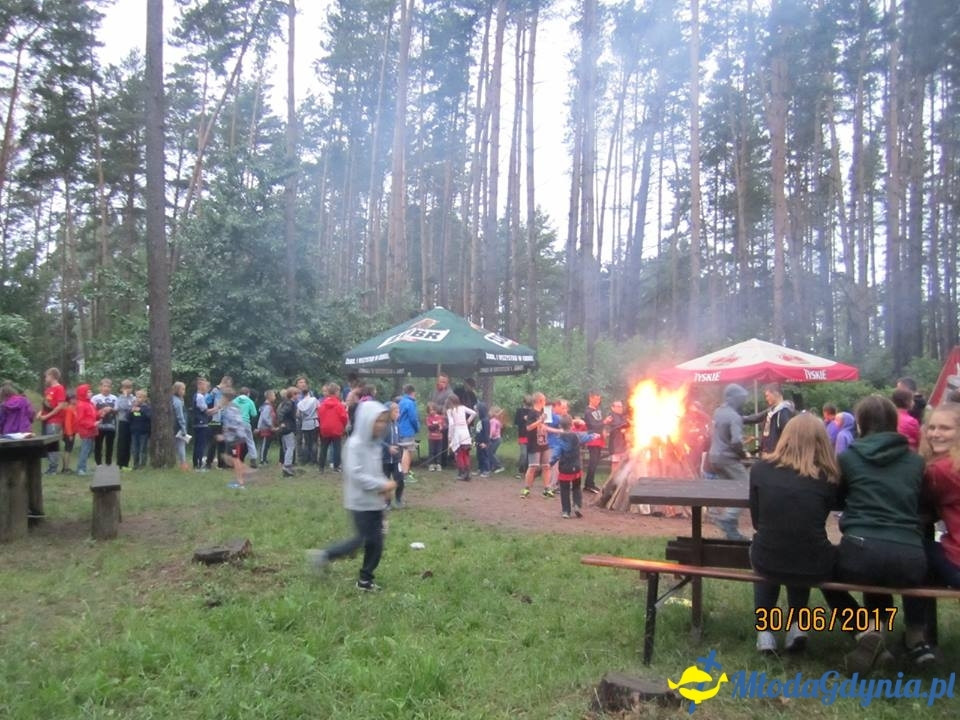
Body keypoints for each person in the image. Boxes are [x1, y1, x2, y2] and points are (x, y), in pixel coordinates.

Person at [828, 395, 932, 673]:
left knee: (823, 571)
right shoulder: (916, 462)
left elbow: (836, 498)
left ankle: (864, 633)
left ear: (859, 425)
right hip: (910, 559)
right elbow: (924, 503)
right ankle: (906, 638)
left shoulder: (848, 458)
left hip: (860, 553)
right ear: (894, 424)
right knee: (884, 558)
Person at [749, 413, 840, 654]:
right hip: (813, 562)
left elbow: (757, 520)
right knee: (803, 545)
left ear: (785, 437)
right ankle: (797, 626)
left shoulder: (760, 469)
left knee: (769, 545)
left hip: (768, 558)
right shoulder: (828, 476)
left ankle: (765, 632)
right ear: (821, 441)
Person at [306, 400, 397, 592]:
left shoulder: (374, 444)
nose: (381, 425)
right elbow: (356, 475)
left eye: (383, 421)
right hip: (359, 503)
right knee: (366, 541)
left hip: (375, 502)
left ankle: (364, 579)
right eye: (377, 421)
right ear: (366, 420)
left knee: (374, 542)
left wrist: (385, 488)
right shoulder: (354, 445)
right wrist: (382, 484)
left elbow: (374, 471)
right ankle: (327, 556)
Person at [920, 402, 960, 587]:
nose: (935, 434)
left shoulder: (942, 470)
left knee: (910, 548)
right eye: (932, 427)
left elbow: (917, 501)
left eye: (945, 428)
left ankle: (920, 616)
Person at [706, 384, 749, 542]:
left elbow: (741, 420)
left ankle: (731, 532)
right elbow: (737, 441)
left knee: (730, 492)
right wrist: (742, 454)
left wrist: (764, 414)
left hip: (714, 457)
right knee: (746, 488)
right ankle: (728, 519)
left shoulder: (718, 412)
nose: (742, 403)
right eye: (741, 399)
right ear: (734, 399)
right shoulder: (734, 417)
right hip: (728, 458)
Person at [743, 383, 795, 454]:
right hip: (768, 452)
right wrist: (736, 418)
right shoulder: (771, 411)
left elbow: (787, 435)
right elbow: (755, 418)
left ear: (775, 393)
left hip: (777, 454)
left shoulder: (784, 412)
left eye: (767, 396)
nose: (766, 398)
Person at [521, 392, 552, 498]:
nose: (545, 402)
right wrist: (539, 421)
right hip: (534, 443)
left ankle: (547, 488)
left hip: (544, 442)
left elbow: (547, 425)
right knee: (533, 466)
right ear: (539, 401)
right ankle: (526, 489)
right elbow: (528, 427)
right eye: (544, 400)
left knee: (546, 466)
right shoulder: (532, 413)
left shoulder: (545, 412)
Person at [37, 367, 68, 474]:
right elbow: (45, 404)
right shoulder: (48, 390)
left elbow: (60, 406)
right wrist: (40, 413)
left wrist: (47, 416)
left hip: (54, 420)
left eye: (46, 376)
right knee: (47, 444)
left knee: (52, 443)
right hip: (46, 420)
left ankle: (53, 468)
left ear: (52, 376)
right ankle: (50, 466)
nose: (45, 378)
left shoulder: (59, 388)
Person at [218, 388, 248, 489]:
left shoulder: (232, 409)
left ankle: (240, 483)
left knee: (236, 460)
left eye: (221, 397)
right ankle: (239, 479)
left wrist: (225, 434)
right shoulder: (227, 408)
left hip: (236, 439)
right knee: (232, 459)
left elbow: (237, 424)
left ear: (226, 398)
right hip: (232, 439)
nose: (220, 399)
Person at [446, 393, 477, 481]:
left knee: (459, 454)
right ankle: (467, 472)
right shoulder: (463, 408)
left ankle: (462, 473)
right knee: (466, 453)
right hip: (465, 432)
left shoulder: (450, 411)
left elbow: (451, 424)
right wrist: (467, 421)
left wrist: (450, 437)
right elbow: (474, 413)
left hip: (457, 433)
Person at [318, 383, 348, 472]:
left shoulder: (323, 404)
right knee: (337, 448)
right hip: (336, 428)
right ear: (336, 392)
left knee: (323, 447)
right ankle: (336, 466)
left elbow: (319, 415)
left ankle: (321, 467)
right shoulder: (339, 405)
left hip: (325, 428)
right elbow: (344, 417)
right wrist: (343, 426)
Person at [382, 402, 405, 507]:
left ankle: (398, 499)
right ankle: (387, 503)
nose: (398, 414)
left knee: (400, 479)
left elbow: (399, 439)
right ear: (389, 412)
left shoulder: (397, 425)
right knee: (385, 482)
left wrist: (404, 445)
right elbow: (378, 440)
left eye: (398, 412)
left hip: (396, 459)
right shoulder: (382, 425)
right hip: (384, 459)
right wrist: (388, 447)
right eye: (396, 412)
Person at [91, 378, 119, 466]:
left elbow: (117, 410)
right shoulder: (95, 398)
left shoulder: (114, 398)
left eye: (108, 387)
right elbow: (91, 411)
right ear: (100, 387)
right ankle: (98, 462)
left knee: (109, 445)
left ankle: (108, 462)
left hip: (111, 425)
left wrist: (111, 409)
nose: (106, 388)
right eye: (104, 386)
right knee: (98, 444)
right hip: (99, 425)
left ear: (111, 388)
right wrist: (101, 411)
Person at [429, 374, 455, 467]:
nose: (442, 383)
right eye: (440, 381)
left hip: (444, 421)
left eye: (444, 382)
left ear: (447, 383)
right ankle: (432, 460)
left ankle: (442, 461)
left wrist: (435, 407)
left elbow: (447, 408)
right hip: (432, 420)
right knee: (432, 441)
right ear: (437, 381)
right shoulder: (433, 391)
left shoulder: (450, 393)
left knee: (442, 442)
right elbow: (430, 404)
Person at [74, 383, 98, 476]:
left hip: (92, 430)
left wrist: (101, 413)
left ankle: (84, 467)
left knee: (89, 449)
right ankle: (81, 468)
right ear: (83, 393)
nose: (90, 393)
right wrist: (92, 424)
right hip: (86, 431)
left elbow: (94, 414)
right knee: (85, 449)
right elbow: (80, 420)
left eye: (90, 391)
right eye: (88, 391)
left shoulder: (90, 403)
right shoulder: (81, 405)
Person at [583, 391, 605, 493]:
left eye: (599, 399)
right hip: (592, 439)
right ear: (590, 399)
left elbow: (600, 425)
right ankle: (589, 484)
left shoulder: (598, 410)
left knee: (595, 462)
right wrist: (604, 422)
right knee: (593, 462)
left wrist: (604, 430)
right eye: (596, 399)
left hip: (599, 438)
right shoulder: (588, 411)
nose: (598, 401)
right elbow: (593, 425)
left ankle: (590, 483)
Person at [397, 384, 420, 480]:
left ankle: (403, 470)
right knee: (407, 451)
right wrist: (417, 427)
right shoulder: (410, 403)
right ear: (413, 392)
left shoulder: (401, 402)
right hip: (408, 430)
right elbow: (413, 418)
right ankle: (405, 473)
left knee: (402, 451)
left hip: (399, 429)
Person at [603, 400, 630, 479]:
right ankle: (612, 481)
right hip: (615, 444)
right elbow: (611, 428)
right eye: (618, 406)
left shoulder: (622, 417)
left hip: (623, 444)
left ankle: (620, 481)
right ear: (613, 408)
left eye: (621, 406)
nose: (620, 408)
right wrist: (623, 427)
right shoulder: (610, 417)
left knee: (623, 463)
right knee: (615, 464)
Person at [276, 387, 298, 477]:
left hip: (285, 428)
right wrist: (282, 422)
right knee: (290, 447)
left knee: (287, 447)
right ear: (293, 394)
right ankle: (287, 466)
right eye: (296, 394)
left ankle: (286, 464)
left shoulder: (285, 402)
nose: (298, 396)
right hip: (288, 428)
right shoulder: (290, 403)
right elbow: (282, 413)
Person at [114, 379, 135, 470]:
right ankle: (120, 463)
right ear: (122, 389)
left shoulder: (133, 398)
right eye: (126, 388)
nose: (128, 390)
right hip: (123, 421)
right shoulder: (120, 398)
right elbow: (122, 407)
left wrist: (131, 406)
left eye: (129, 388)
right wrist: (125, 398)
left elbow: (133, 407)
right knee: (122, 442)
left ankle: (126, 463)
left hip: (131, 422)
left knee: (129, 442)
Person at [235, 387, 259, 466]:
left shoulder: (234, 401)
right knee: (250, 441)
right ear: (248, 393)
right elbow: (254, 414)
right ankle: (253, 460)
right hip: (245, 423)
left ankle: (236, 459)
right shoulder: (250, 401)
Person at [129, 389, 152, 470]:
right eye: (137, 397)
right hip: (134, 432)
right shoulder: (134, 407)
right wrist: (131, 411)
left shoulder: (147, 407)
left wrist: (141, 410)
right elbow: (128, 418)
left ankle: (142, 465)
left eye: (140, 397)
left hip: (143, 432)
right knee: (135, 449)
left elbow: (149, 416)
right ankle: (135, 465)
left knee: (143, 449)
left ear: (144, 398)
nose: (138, 399)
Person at [297, 386, 319, 466]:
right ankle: (314, 460)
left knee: (306, 443)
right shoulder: (314, 400)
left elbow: (298, 414)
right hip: (313, 422)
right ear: (309, 392)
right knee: (314, 442)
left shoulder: (300, 403)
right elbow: (318, 409)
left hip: (305, 423)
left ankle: (306, 459)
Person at [893, 387, 920, 451]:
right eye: (912, 400)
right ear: (907, 402)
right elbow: (918, 440)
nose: (913, 402)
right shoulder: (912, 421)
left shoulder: (888, 416)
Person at [514, 395, 535, 479]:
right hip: (522, 434)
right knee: (523, 454)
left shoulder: (533, 411)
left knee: (529, 455)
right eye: (527, 403)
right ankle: (520, 470)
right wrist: (523, 418)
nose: (528, 405)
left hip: (531, 435)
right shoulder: (519, 411)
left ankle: (526, 471)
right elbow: (516, 422)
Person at [192, 377, 211, 470]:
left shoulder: (197, 396)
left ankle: (196, 463)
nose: (206, 387)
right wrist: (219, 407)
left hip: (197, 423)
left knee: (197, 444)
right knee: (200, 445)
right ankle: (199, 464)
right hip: (201, 423)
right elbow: (206, 411)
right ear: (199, 385)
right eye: (205, 385)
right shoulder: (200, 397)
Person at [172, 381, 190, 471]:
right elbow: (180, 416)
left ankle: (180, 463)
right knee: (181, 445)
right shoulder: (177, 401)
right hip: (178, 426)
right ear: (177, 390)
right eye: (182, 389)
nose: (184, 391)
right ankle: (183, 464)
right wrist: (183, 429)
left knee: (177, 445)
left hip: (174, 426)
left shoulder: (176, 400)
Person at [257, 389, 277, 465]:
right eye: (274, 395)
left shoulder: (267, 406)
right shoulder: (267, 407)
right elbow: (265, 417)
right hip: (265, 428)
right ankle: (262, 460)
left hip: (267, 427)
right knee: (264, 444)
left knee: (266, 444)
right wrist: (271, 425)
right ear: (270, 396)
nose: (275, 397)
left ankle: (264, 458)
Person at [425, 402, 445, 471]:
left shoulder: (440, 417)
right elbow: (430, 427)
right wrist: (437, 426)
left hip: (439, 437)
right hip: (431, 437)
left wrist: (439, 427)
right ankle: (431, 464)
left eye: (433, 410)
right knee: (431, 451)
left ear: (436, 410)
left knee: (439, 451)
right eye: (430, 410)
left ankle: (438, 464)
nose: (432, 412)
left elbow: (442, 427)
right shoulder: (428, 418)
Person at [61, 391, 76, 472]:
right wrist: (69, 434)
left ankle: (66, 467)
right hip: (68, 432)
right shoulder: (69, 409)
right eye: (73, 399)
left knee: (69, 450)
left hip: (72, 432)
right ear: (69, 400)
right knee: (67, 450)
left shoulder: (73, 408)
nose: (75, 400)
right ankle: (65, 468)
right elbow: (67, 422)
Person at [488, 406, 505, 473]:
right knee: (492, 452)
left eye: (490, 411)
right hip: (498, 439)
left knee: (491, 453)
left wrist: (489, 437)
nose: (489, 412)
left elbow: (493, 431)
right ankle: (492, 467)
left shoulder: (493, 421)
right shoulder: (497, 421)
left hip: (495, 439)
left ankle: (499, 466)